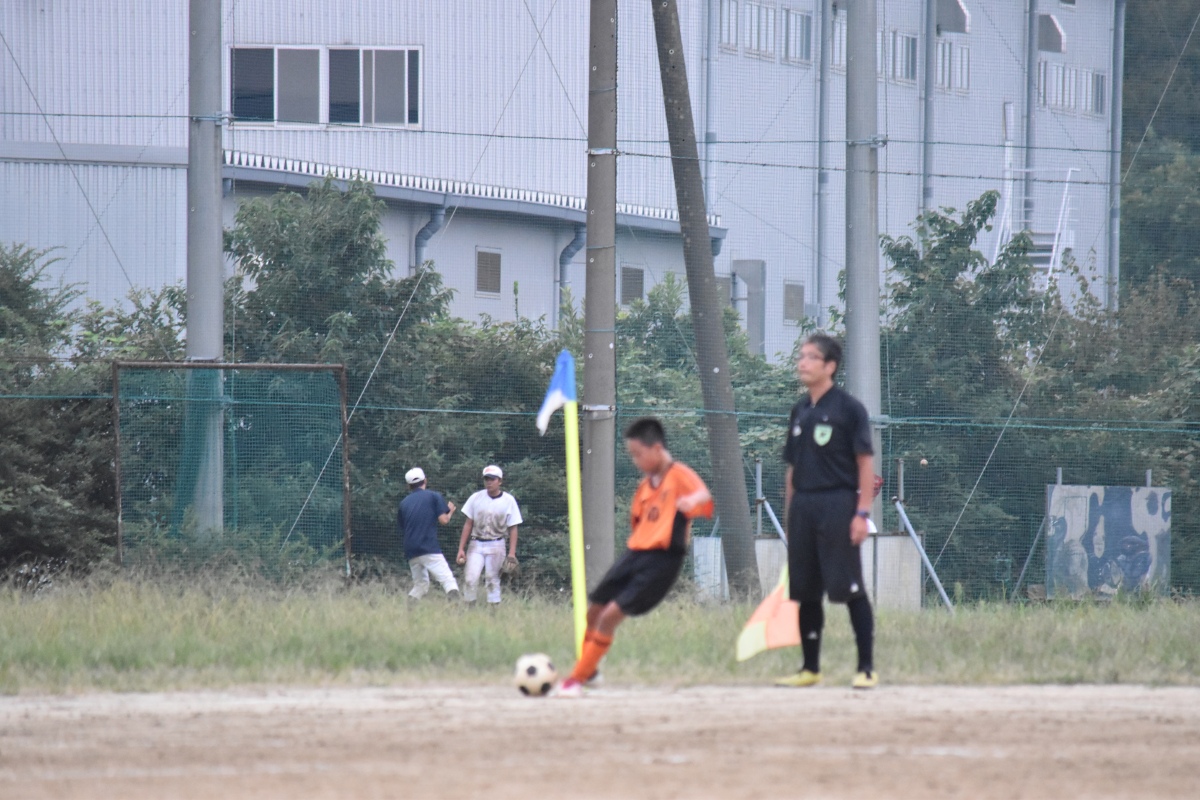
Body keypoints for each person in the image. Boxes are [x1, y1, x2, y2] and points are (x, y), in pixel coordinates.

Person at [556, 417, 713, 697]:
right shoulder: (644, 487)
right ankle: (590, 670)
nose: (635, 460)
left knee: (609, 617)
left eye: (638, 454)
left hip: (662, 560)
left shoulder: (678, 475)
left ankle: (576, 679)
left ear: (657, 449)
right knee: (594, 610)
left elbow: (703, 494)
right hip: (635, 554)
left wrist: (692, 501)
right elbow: (638, 525)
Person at [776, 333, 879, 690]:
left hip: (838, 504)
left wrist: (861, 513)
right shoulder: (800, 411)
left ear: (830, 366)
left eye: (811, 357)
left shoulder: (849, 409)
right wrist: (790, 516)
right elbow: (792, 468)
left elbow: (865, 463)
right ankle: (810, 668)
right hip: (804, 506)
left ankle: (866, 668)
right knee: (805, 590)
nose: (802, 362)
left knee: (850, 588)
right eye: (800, 356)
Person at [456, 465, 522, 605]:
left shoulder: (508, 500)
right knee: (470, 579)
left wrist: (512, 553)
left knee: (492, 580)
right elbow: (468, 524)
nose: (489, 482)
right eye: (486, 479)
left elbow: (513, 528)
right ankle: (469, 609)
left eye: (492, 479)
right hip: (476, 543)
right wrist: (461, 548)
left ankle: (493, 611)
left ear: (500, 481)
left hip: (497, 543)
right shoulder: (476, 497)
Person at [397, 467, 460, 600]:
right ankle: (456, 610)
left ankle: (409, 610)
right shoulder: (433, 496)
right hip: (428, 547)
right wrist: (450, 511)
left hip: (411, 549)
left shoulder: (403, 503)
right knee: (448, 580)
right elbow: (444, 520)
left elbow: (403, 526)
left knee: (420, 585)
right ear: (425, 480)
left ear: (408, 486)